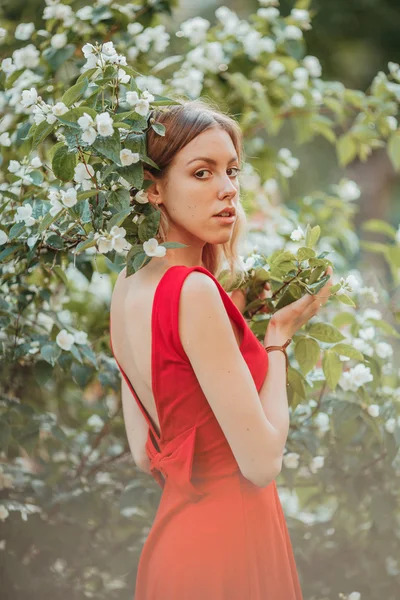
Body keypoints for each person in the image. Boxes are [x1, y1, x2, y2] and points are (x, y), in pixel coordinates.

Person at [109, 99, 333, 599]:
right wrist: (276, 341)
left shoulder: (127, 286)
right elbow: (261, 463)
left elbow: (148, 457)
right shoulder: (193, 292)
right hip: (230, 548)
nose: (227, 188)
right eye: (202, 172)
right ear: (153, 189)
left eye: (231, 171)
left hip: (174, 551)